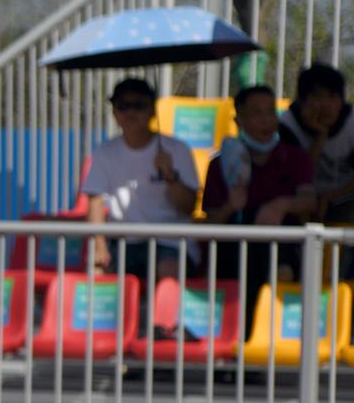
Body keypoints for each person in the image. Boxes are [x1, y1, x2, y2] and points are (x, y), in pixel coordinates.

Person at [203, 84, 316, 329]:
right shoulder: (220, 165)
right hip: (233, 254)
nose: (265, 121)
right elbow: (210, 224)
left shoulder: (295, 157)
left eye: (270, 112)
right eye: (256, 113)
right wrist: (230, 206)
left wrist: (282, 204)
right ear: (238, 119)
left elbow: (309, 200)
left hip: (281, 246)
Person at [84, 77, 201, 287]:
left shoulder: (176, 150)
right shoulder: (105, 152)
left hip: (171, 243)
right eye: (122, 106)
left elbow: (188, 207)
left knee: (168, 271)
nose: (130, 112)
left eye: (138, 105)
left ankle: (163, 321)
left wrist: (170, 176)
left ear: (152, 110)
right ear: (114, 113)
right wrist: (99, 246)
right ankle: (113, 321)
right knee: (96, 271)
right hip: (123, 244)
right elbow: (95, 201)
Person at [278, 63, 354, 223]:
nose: (326, 105)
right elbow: (297, 177)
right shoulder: (288, 125)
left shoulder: (351, 123)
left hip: (344, 200)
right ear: (302, 100)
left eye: (333, 97)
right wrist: (321, 135)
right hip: (300, 204)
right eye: (318, 96)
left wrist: (330, 197)